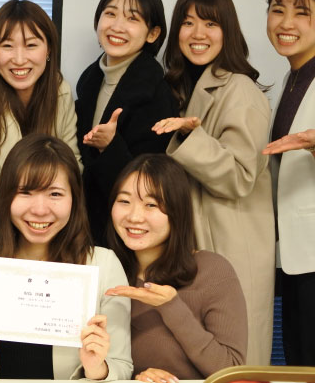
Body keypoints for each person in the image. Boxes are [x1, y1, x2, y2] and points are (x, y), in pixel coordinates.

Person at [152, 0, 275, 365]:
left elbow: (240, 175)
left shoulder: (240, 90)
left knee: (232, 364)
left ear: (228, 31)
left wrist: (191, 137)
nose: (198, 34)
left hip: (230, 247)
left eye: (210, 23)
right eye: (188, 23)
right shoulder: (178, 88)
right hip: (194, 247)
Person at [0, 134, 132, 381]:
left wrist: (97, 368)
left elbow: (122, 366)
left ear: (74, 198)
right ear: (6, 195)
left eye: (55, 194)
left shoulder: (104, 265)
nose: (40, 210)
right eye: (25, 192)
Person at [0, 0, 81, 254]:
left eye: (31, 45)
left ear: (48, 50)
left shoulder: (61, 94)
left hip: (49, 245)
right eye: (7, 46)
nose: (19, 59)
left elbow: (74, 171)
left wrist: (12, 189)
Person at [106, 153, 247, 380]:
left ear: (177, 211)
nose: (134, 216)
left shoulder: (212, 271)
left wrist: (171, 307)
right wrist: (134, 379)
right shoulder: (104, 271)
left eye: (151, 204)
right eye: (124, 201)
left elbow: (231, 372)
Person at [75, 0, 177, 246]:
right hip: (81, 230)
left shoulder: (157, 96)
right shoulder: (90, 81)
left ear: (152, 34)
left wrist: (110, 146)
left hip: (126, 237)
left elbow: (150, 187)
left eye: (132, 19)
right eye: (110, 14)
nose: (117, 26)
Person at [262, 0, 315, 365]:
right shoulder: (288, 80)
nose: (286, 23)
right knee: (299, 362)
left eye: (302, 13)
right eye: (278, 10)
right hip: (293, 252)